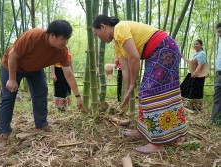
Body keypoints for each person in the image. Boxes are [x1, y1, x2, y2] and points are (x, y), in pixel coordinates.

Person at [92, 15, 188, 154]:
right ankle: (143, 131)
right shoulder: (117, 44)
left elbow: (134, 57)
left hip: (164, 49)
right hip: (155, 54)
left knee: (150, 92)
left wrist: (133, 84)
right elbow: (125, 69)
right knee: (145, 93)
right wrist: (127, 92)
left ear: (103, 26)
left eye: (97, 34)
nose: (98, 37)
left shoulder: (120, 28)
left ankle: (158, 143)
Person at [0, 20, 84, 149]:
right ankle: (3, 132)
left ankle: (41, 124)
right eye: (63, 39)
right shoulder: (33, 37)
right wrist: (12, 79)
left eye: (67, 40)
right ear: (51, 35)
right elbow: (13, 55)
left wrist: (78, 96)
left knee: (41, 91)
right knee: (8, 96)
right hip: (12, 66)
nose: (65, 43)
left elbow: (68, 74)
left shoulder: (62, 51)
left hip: (35, 69)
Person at [180, 40, 207, 112]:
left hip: (197, 75)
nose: (195, 45)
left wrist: (195, 73)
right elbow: (190, 62)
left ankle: (195, 107)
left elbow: (200, 64)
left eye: (197, 44)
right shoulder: (196, 54)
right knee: (184, 87)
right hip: (192, 73)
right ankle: (188, 105)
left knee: (195, 90)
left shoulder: (202, 53)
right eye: (194, 44)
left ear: (201, 45)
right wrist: (183, 57)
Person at [211, 23, 221, 125]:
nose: (219, 34)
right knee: (217, 97)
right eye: (218, 32)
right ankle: (215, 120)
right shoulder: (219, 42)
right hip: (219, 74)